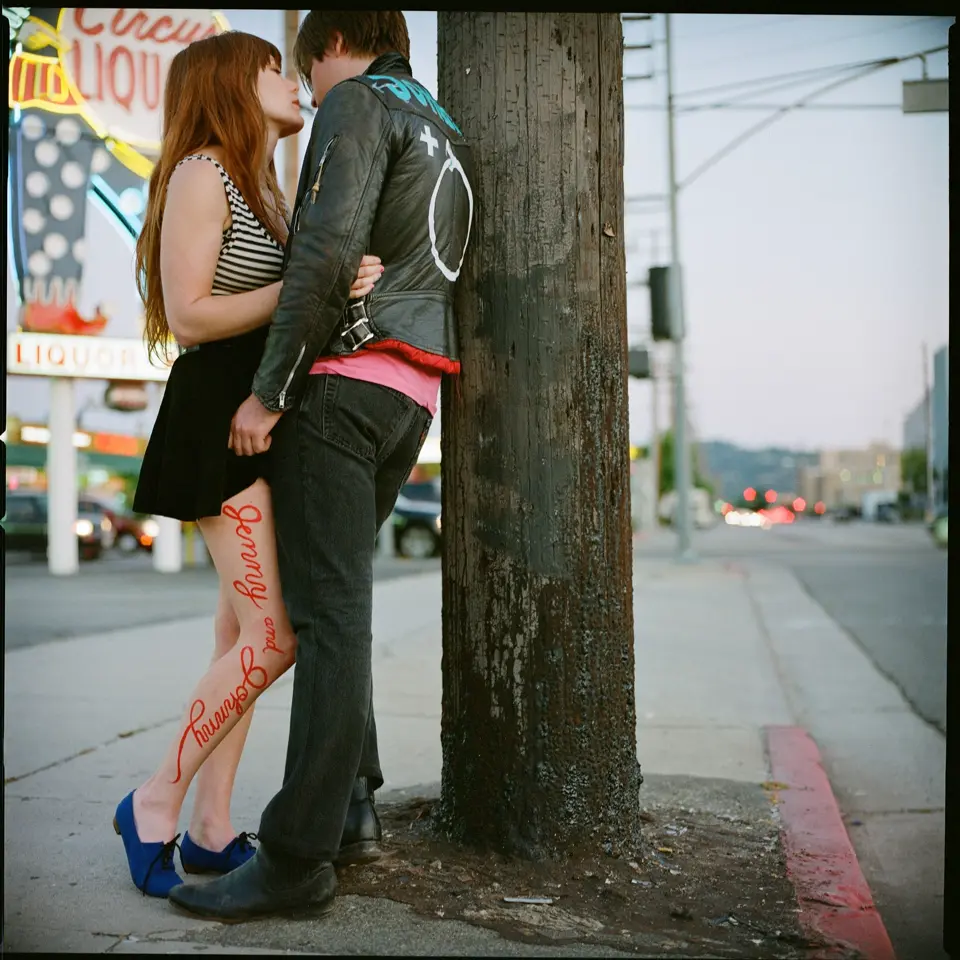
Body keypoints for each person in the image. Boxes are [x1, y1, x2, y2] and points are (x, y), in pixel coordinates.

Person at [168, 11, 473, 921]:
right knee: (323, 602)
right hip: (412, 396)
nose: (307, 82)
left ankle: (298, 857)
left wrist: (269, 394)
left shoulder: (357, 103)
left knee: (329, 618)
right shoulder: (439, 120)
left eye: (305, 63)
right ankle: (350, 807)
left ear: (330, 42)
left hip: (340, 390)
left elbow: (328, 252)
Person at [116, 30, 385, 898]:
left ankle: (211, 827)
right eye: (276, 67)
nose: (294, 79)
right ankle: (154, 801)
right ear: (236, 81)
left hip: (260, 419)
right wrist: (316, 282)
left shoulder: (264, 184)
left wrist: (336, 279)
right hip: (214, 424)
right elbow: (189, 315)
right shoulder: (202, 171)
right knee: (276, 638)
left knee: (240, 635)